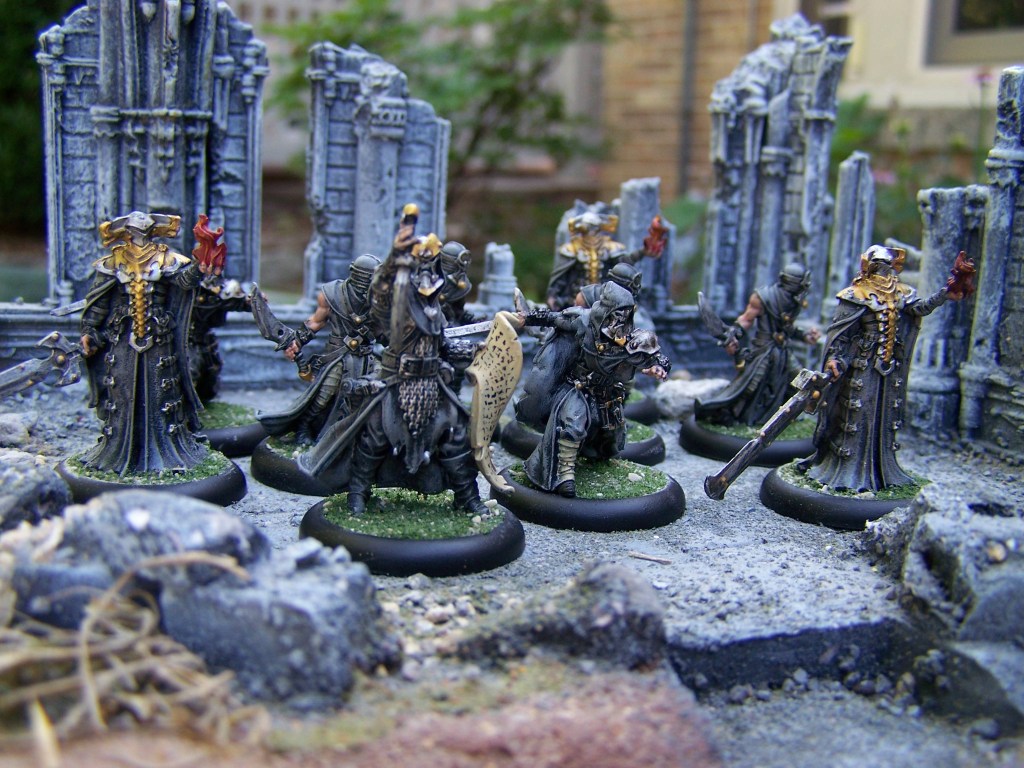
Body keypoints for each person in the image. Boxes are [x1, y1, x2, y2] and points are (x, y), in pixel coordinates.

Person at [300, 208, 486, 515]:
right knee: (374, 438)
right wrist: (394, 256)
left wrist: (468, 348)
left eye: (431, 267)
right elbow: (381, 291)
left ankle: (468, 498)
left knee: (455, 438)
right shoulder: (396, 304)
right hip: (396, 381)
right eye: (420, 267)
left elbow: (443, 343)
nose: (426, 275)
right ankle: (357, 495)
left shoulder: (436, 310)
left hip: (432, 384)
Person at [797, 245, 972, 492]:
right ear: (869, 266)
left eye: (887, 264)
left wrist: (945, 293)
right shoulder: (855, 294)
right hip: (863, 366)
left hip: (888, 371)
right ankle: (847, 471)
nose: (884, 269)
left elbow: (919, 308)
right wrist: (833, 358)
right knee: (858, 415)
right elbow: (840, 333)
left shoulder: (902, 293)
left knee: (884, 416)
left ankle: (881, 471)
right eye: (879, 264)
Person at [79, 211, 213, 474]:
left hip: (157, 335)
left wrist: (199, 266)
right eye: (133, 229)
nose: (139, 233)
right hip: (124, 335)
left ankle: (166, 451)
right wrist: (89, 329)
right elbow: (99, 301)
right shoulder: (115, 259)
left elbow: (183, 282)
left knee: (160, 390)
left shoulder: (166, 257)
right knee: (122, 391)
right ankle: (118, 451)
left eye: (143, 229)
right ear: (126, 232)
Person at [516, 281, 670, 497]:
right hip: (578, 386)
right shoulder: (583, 320)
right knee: (573, 423)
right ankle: (564, 475)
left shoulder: (632, 336)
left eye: (626, 313)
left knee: (607, 434)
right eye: (617, 312)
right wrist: (527, 317)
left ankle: (597, 454)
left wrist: (658, 367)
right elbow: (554, 318)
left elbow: (655, 356)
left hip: (606, 392)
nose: (620, 318)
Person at [258, 254, 381, 444]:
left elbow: (386, 331)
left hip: (367, 356)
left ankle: (361, 434)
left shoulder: (381, 300)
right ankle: (303, 427)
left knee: (377, 391)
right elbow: (317, 321)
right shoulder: (333, 294)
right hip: (339, 356)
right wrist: (297, 341)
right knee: (323, 396)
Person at [696, 262, 821, 426]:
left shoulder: (794, 301)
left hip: (783, 351)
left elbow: (787, 327)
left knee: (799, 380)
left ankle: (785, 414)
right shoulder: (763, 297)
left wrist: (804, 336)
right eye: (802, 284)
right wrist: (733, 334)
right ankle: (724, 413)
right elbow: (746, 319)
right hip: (764, 350)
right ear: (794, 283)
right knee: (750, 386)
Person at [546, 211, 666, 310]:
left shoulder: (610, 247)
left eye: (593, 229)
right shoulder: (571, 249)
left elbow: (625, 263)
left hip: (605, 301)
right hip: (576, 302)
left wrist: (643, 252)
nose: (591, 234)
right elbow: (560, 278)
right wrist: (552, 295)